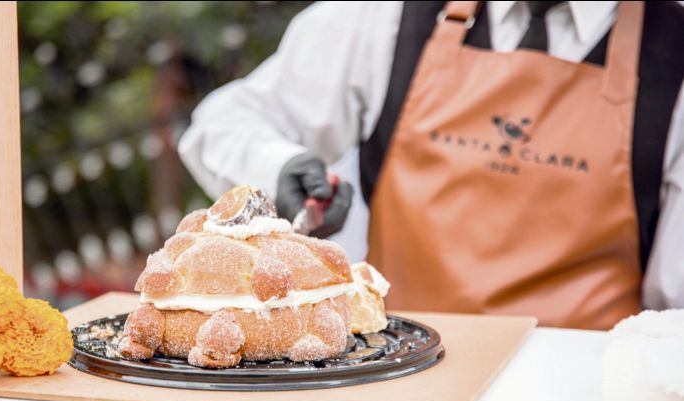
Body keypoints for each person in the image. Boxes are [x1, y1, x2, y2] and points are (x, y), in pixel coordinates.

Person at [178, 1, 684, 329]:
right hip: (393, 372)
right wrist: (283, 166)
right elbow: (225, 121)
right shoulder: (385, 17)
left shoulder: (673, 53)